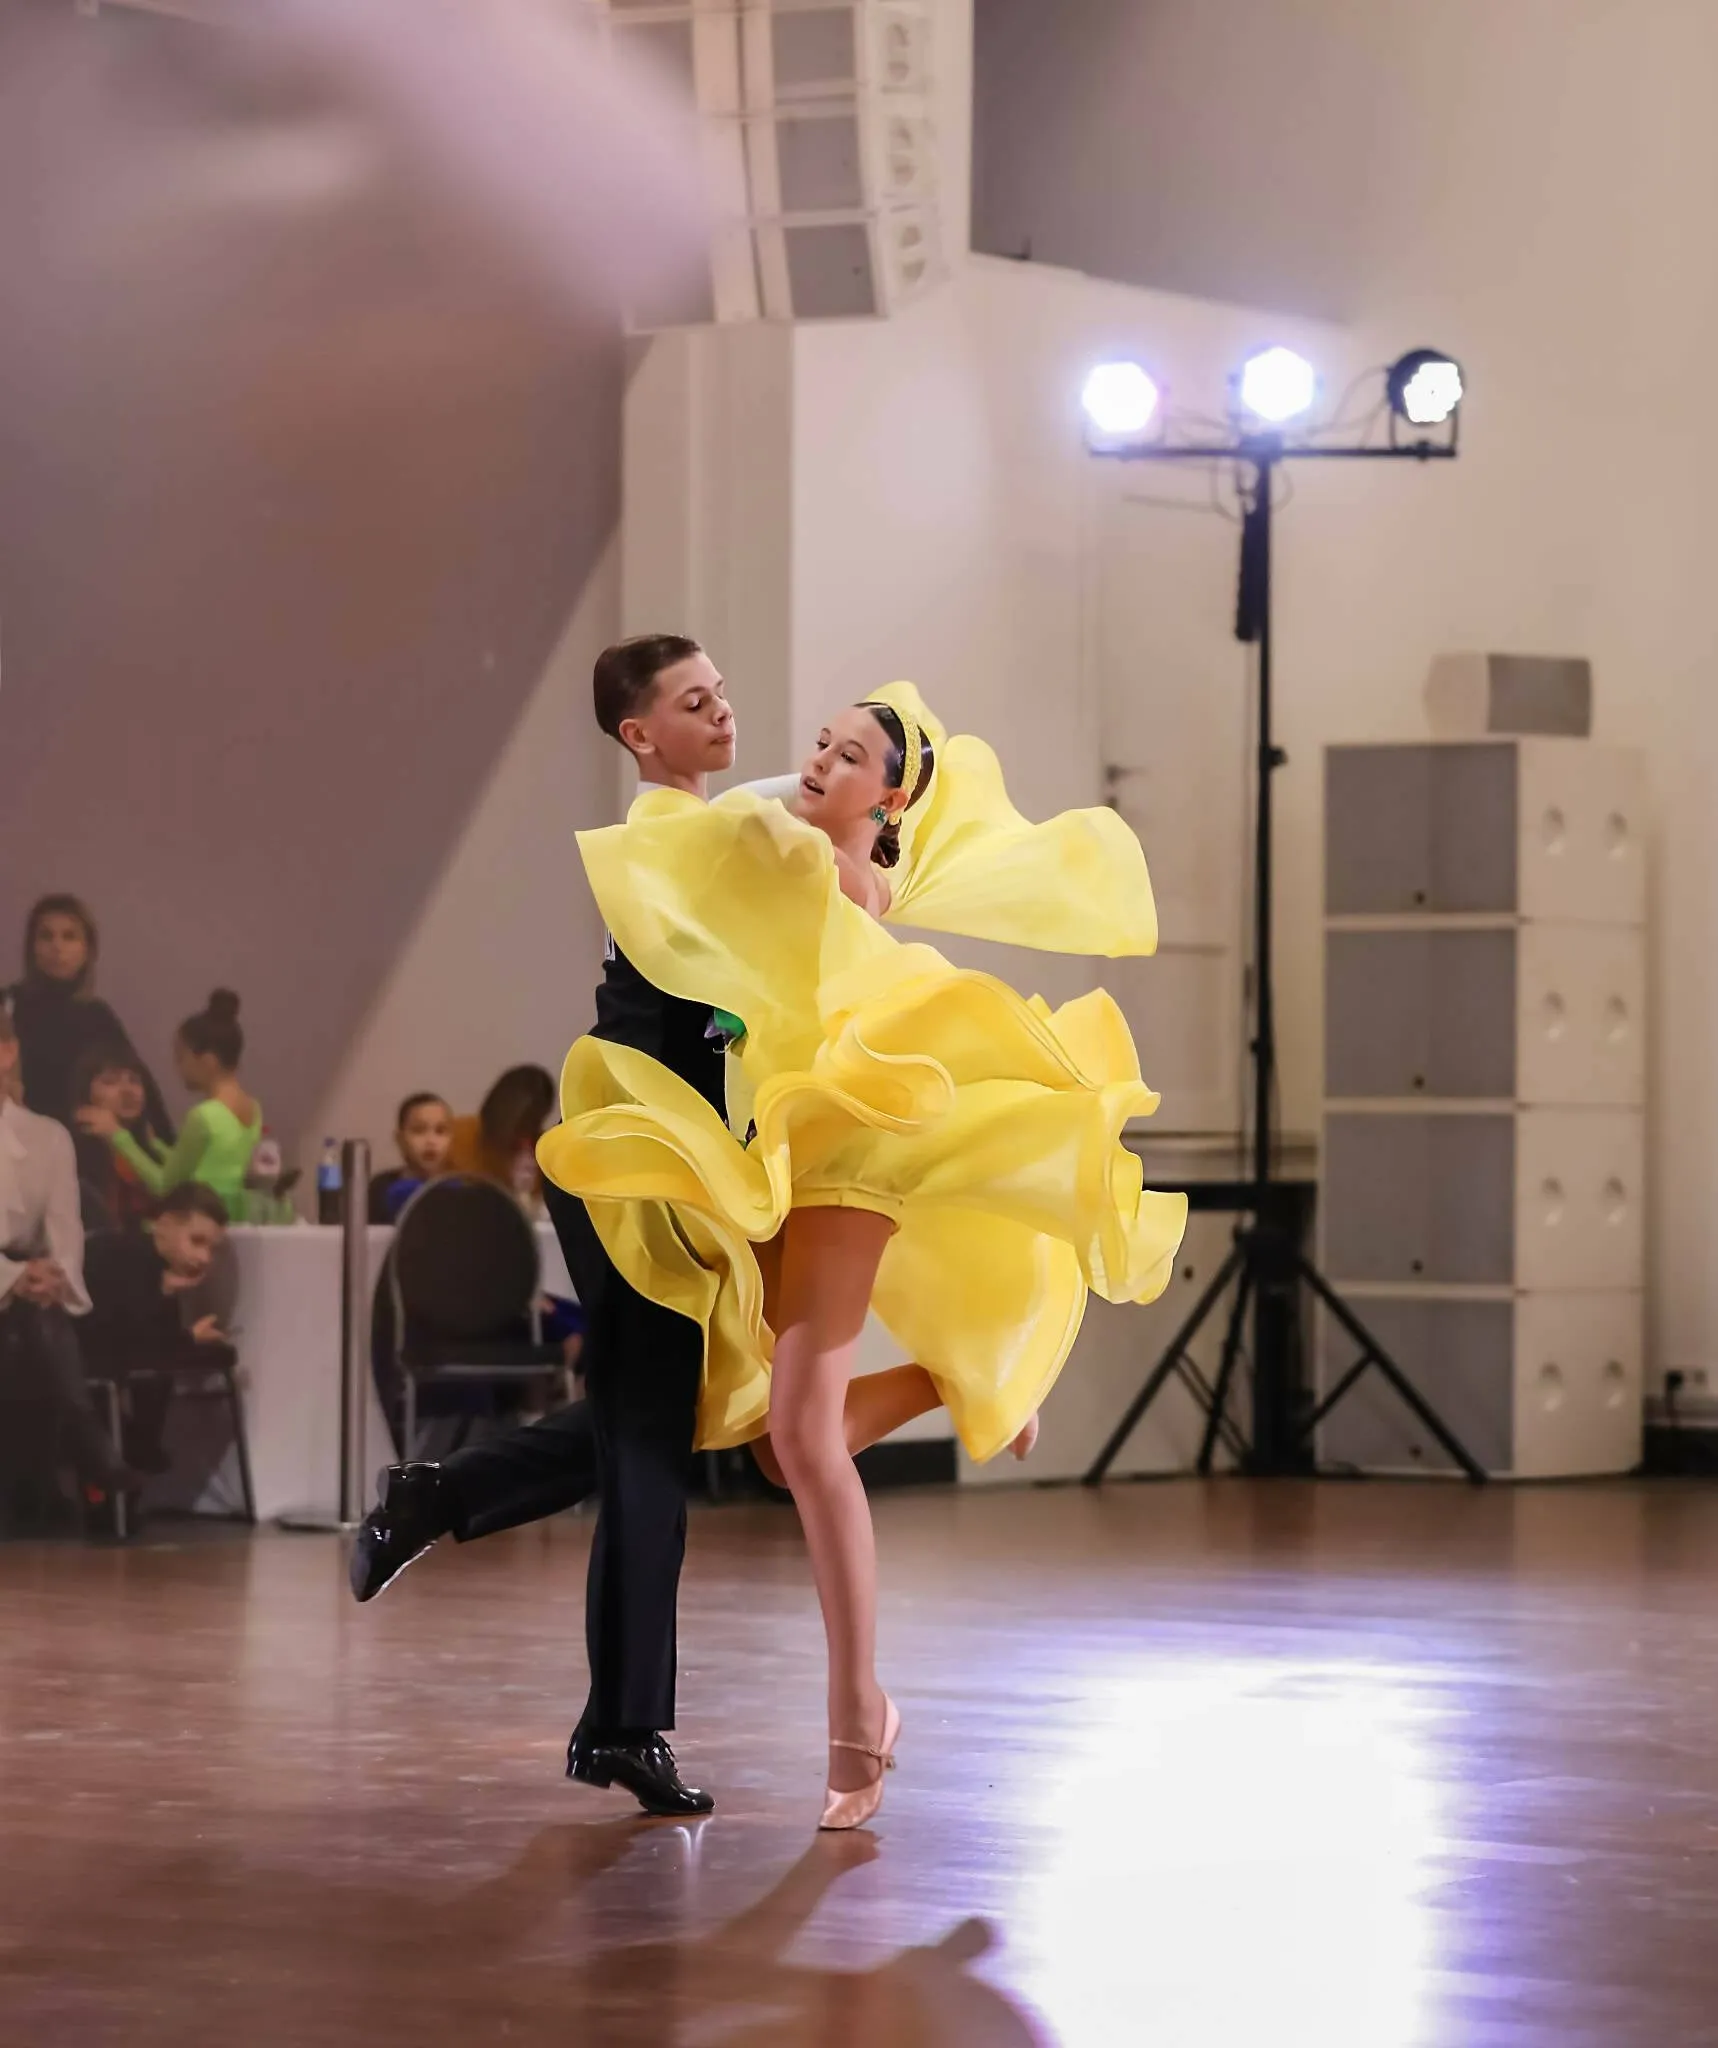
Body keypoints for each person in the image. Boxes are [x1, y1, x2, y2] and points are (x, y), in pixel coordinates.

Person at [538, 679, 1187, 1828]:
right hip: (785, 1153)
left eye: (848, 757)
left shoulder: (835, 868)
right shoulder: (792, 845)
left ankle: (856, 1711)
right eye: (820, 745)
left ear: (886, 796)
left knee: (792, 1432)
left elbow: (756, 871)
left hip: (852, 1155)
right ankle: (965, 1378)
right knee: (792, 1446)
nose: (819, 763)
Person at [350, 634, 738, 1819]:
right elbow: (733, 974)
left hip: (658, 1156)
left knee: (649, 1415)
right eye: (692, 699)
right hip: (630, 1160)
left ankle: (432, 1499)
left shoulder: (698, 831)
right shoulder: (661, 835)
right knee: (647, 1431)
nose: (721, 709)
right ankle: (622, 1725)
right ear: (639, 732)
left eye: (720, 692)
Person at [0, 1006, 133, 1506]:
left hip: (31, 1290)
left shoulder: (47, 1136)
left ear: (8, 1052)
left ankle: (52, 1466)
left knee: (38, 1315)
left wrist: (55, 1275)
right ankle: (87, 1438)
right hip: (9, 1281)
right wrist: (12, 1278)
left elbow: (67, 1231)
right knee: (30, 1317)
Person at [80, 1182, 234, 1477]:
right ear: (164, 1224)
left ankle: (140, 1449)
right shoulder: (119, 1255)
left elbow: (150, 1339)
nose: (204, 1258)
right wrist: (185, 1331)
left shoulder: (159, 1266)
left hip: (112, 1357)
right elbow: (118, 1337)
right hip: (83, 1360)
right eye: (197, 1241)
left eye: (211, 1249)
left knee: (160, 1369)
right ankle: (135, 1451)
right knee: (155, 1368)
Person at [77, 990, 262, 1220]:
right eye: (111, 1081)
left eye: (181, 1057)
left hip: (199, 1220)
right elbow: (199, 1162)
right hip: (233, 1218)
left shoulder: (204, 1116)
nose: (178, 1068)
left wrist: (118, 1136)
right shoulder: (253, 1109)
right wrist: (155, 1145)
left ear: (207, 1061)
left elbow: (166, 1185)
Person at [4, 894, 173, 1137]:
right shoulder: (8, 1006)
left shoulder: (98, 1018)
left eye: (69, 936)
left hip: (82, 1152)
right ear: (32, 947)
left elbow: (146, 1097)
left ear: (87, 950)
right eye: (46, 936)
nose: (57, 947)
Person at [71, 1043, 161, 1236]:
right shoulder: (72, 1151)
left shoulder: (152, 1149)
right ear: (86, 1093)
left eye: (135, 1080)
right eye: (110, 1081)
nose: (128, 1090)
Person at [447, 1066, 556, 1203]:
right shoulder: (459, 1135)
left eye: (532, 1122)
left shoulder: (540, 1153)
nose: (522, 1133)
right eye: (521, 1123)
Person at [368, 1091, 454, 1224]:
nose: (431, 1141)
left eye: (440, 1131)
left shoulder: (459, 1189)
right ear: (400, 1139)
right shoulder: (379, 1189)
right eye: (419, 1130)